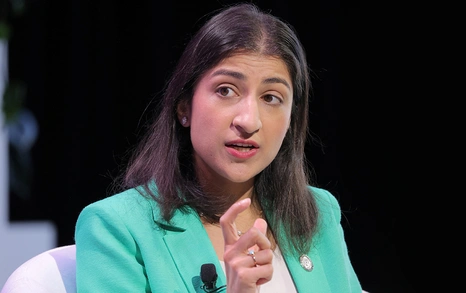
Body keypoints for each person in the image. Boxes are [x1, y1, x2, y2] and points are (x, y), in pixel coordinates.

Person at [74, 2, 362, 293]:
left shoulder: (317, 212)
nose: (249, 121)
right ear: (184, 106)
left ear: (291, 120)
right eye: (226, 90)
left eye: (271, 97)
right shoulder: (115, 228)